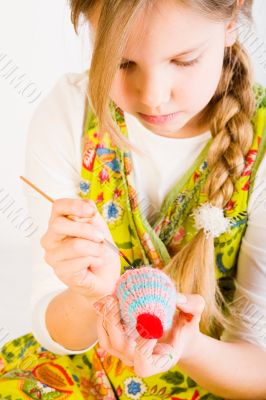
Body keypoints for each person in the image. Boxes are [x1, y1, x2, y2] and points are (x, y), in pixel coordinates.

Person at [0, 0, 266, 398]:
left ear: (231, 20)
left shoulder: (257, 147)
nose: (154, 97)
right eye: (123, 64)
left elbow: (258, 370)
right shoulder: (70, 113)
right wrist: (87, 295)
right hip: (85, 373)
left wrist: (185, 346)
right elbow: (55, 330)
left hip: (216, 379)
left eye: (184, 60)